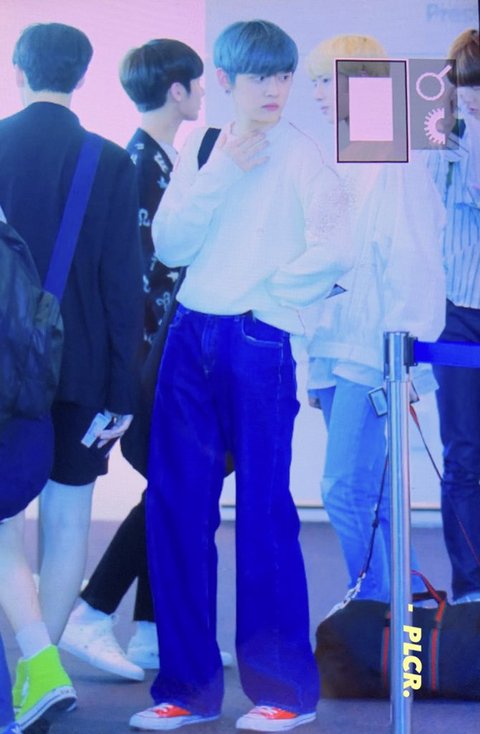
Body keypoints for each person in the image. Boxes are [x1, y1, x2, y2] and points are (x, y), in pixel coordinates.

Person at [131, 19, 352, 732]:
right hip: (189, 334)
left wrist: (270, 302)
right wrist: (222, 171)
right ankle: (186, 689)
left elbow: (338, 246)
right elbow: (170, 244)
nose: (275, 89)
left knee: (264, 513)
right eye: (260, 76)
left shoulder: (302, 153)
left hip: (258, 339)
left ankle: (284, 690)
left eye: (283, 75)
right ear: (225, 80)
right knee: (175, 510)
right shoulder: (203, 146)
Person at [58, 38, 232, 683]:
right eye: (197, 83)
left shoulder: (161, 160)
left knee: (178, 486)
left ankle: (152, 632)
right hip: (154, 358)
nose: (202, 94)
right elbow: (134, 278)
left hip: (167, 351)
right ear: (177, 90)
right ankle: (93, 607)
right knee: (178, 486)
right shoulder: (138, 165)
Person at [0, 22, 143, 731]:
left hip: (2, 370)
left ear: (18, 69)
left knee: (3, 526)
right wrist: (122, 391)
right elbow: (123, 284)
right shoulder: (108, 160)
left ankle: (35, 668)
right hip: (83, 372)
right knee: (66, 523)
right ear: (83, 76)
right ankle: (40, 678)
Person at [305, 35, 446, 601]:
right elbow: (326, 260)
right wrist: (316, 351)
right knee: (372, 492)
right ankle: (401, 611)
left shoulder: (397, 161)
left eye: (326, 80)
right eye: (315, 82)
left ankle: (371, 608)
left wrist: (403, 357)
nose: (317, 93)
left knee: (343, 489)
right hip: (336, 345)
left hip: (373, 350)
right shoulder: (345, 157)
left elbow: (414, 261)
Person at [428, 29, 480, 604]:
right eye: (464, 85)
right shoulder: (441, 140)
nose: (471, 96)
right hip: (457, 315)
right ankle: (470, 588)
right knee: (463, 452)